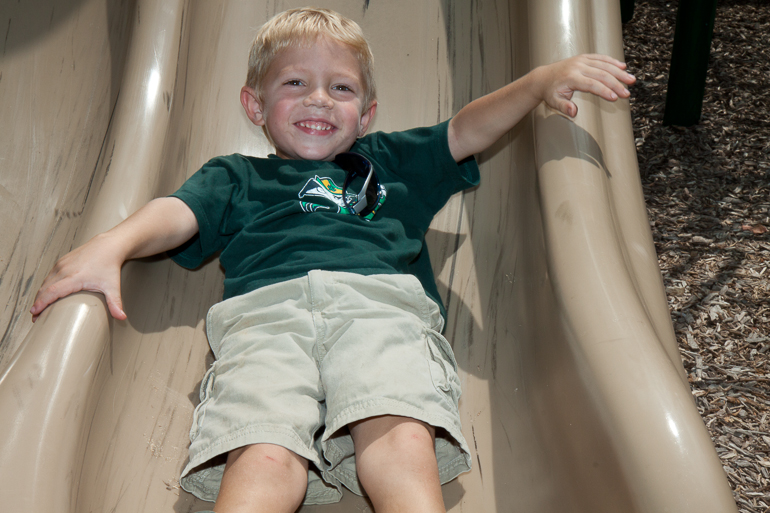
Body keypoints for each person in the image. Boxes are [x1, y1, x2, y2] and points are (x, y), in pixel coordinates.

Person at [30, 7, 635, 513]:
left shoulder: (385, 162)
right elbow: (175, 213)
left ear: (366, 113)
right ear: (254, 104)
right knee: (262, 444)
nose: (318, 98)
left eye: (341, 88)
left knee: (396, 429)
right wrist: (109, 245)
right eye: (294, 83)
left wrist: (535, 84)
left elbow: (466, 130)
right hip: (266, 320)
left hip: (379, 309)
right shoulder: (237, 176)